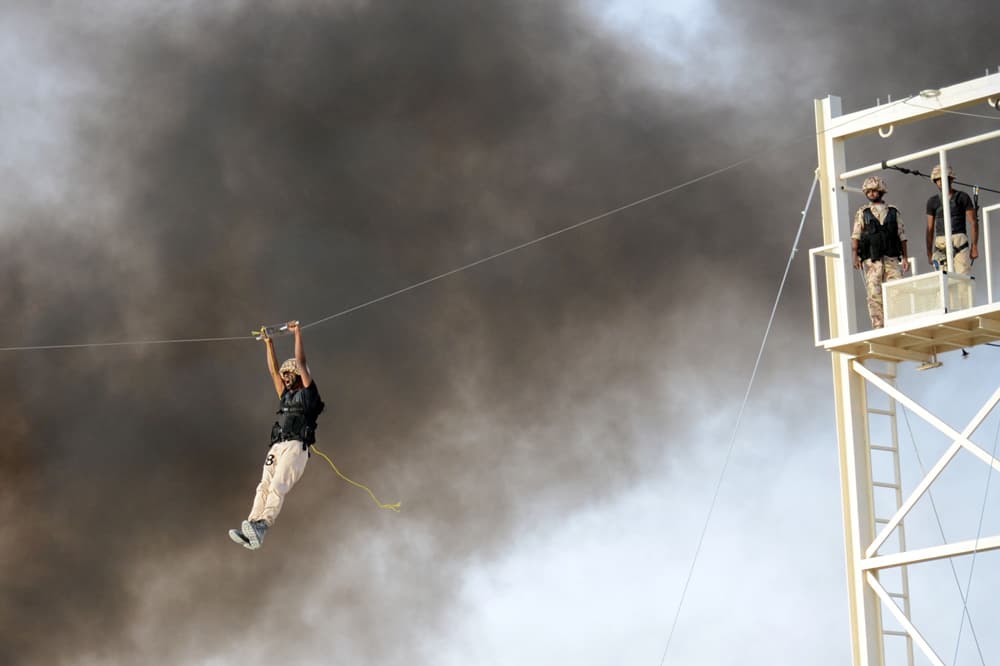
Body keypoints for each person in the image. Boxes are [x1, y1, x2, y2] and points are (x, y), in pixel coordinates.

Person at [229, 320, 324, 550]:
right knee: (263, 485)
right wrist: (268, 343)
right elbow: (272, 371)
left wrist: (296, 334)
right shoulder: (286, 396)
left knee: (277, 486)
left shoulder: (308, 395)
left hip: (296, 447)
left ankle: (263, 526)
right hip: (278, 446)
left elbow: (301, 362)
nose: (285, 377)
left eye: (289, 373)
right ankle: (252, 524)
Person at [851, 176, 909, 329]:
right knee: (874, 293)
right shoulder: (863, 213)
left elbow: (902, 236)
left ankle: (897, 320)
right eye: (868, 191)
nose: (871, 193)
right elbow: (856, 236)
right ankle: (878, 324)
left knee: (896, 289)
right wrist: (855, 256)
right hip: (872, 260)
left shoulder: (893, 212)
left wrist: (905, 258)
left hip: (891, 257)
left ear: (881, 191)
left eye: (874, 190)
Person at [925, 164, 978, 274]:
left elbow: (973, 222)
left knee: (963, 278)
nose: (940, 182)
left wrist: (974, 246)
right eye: (937, 180)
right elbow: (930, 228)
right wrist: (929, 252)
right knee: (943, 278)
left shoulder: (962, 197)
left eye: (943, 179)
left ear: (951, 179)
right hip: (941, 243)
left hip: (959, 241)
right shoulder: (932, 201)